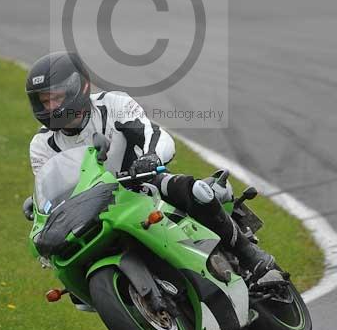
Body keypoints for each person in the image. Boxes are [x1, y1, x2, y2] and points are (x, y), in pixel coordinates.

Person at [26, 51, 274, 281]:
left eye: (57, 97)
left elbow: (153, 134)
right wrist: (39, 206)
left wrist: (151, 157)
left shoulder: (113, 104)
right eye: (45, 101)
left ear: (79, 87)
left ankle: (248, 254)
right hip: (92, 211)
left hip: (140, 184)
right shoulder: (41, 145)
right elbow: (51, 186)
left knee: (194, 190)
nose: (51, 107)